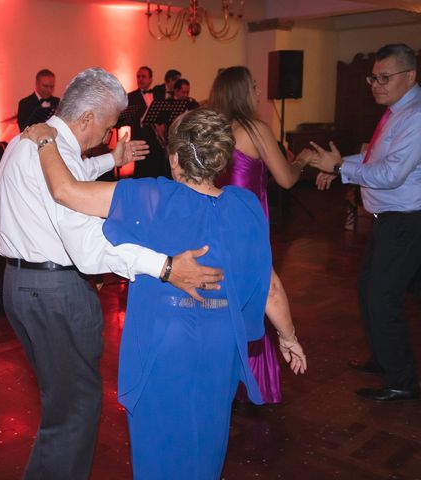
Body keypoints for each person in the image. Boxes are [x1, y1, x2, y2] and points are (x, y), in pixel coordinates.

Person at [23, 107, 306, 480]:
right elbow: (269, 288)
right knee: (207, 444)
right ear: (221, 159)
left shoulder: (151, 197)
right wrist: (289, 338)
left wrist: (45, 139)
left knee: (160, 451)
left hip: (162, 347)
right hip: (219, 347)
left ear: (175, 157)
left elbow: (64, 191)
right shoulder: (245, 205)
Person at [0, 68, 225, 480]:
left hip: (20, 285)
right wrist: (166, 266)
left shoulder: (28, 141)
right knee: (75, 412)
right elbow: (89, 250)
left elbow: (66, 180)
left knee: (60, 407)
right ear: (85, 119)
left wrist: (108, 159)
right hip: (54, 293)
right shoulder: (57, 154)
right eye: (105, 128)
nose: (105, 136)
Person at [309, 43, 421, 402]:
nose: (376, 84)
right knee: (368, 288)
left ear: (410, 77)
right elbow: (375, 157)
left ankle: (402, 379)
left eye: (384, 78)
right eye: (374, 77)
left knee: (382, 296)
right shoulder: (396, 111)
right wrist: (341, 167)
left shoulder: (416, 116)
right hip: (390, 220)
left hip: (406, 221)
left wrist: (340, 168)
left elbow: (390, 174)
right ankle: (385, 360)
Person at [208, 65, 311, 403]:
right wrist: (305, 159)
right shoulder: (254, 129)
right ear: (241, 92)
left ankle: (221, 382)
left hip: (212, 223)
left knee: (221, 300)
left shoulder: (211, 130)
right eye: (253, 86)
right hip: (246, 223)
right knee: (257, 295)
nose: (257, 92)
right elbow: (286, 179)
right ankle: (253, 383)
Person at [128, 66, 169, 178]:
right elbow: (128, 119)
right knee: (141, 173)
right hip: (140, 141)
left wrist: (162, 126)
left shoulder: (158, 95)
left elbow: (163, 115)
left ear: (150, 79)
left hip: (156, 142)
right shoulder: (130, 97)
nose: (140, 79)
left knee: (157, 172)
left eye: (144, 77)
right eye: (138, 76)